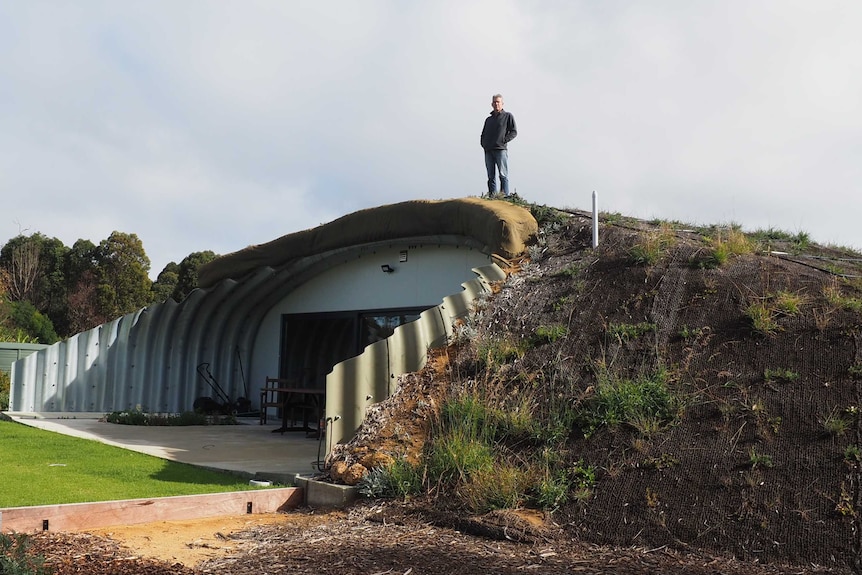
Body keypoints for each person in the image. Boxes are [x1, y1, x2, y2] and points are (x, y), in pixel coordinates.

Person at [480, 94, 517, 197]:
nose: (496, 104)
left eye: (498, 102)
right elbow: (483, 134)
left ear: (502, 103)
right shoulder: (488, 119)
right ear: (492, 104)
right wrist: (484, 144)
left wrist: (504, 140)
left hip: (500, 149)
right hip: (488, 150)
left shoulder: (508, 116)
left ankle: (504, 196)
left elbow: (514, 131)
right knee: (491, 176)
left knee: (503, 174)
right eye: (495, 102)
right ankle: (492, 196)